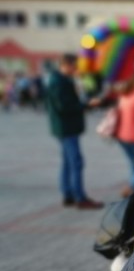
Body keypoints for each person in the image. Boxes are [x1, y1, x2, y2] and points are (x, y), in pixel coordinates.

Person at [44, 53, 103, 209]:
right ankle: (80, 197)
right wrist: (87, 105)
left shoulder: (61, 80)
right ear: (67, 65)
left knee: (68, 162)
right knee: (76, 162)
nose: (76, 69)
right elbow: (64, 107)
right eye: (74, 66)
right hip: (66, 127)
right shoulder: (59, 82)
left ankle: (68, 194)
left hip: (65, 127)